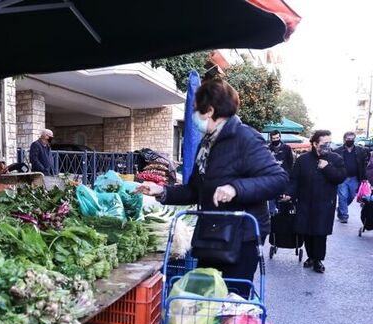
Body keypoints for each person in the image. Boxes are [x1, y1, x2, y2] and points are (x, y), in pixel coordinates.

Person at [137, 79, 287, 298]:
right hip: (211, 233)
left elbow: (278, 179)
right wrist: (162, 192)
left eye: (197, 108)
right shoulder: (206, 144)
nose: (194, 114)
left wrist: (236, 188)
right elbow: (195, 190)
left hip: (240, 236)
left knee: (231, 301)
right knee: (205, 299)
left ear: (209, 110)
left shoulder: (245, 137)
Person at [281, 130, 346, 273]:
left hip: (324, 203)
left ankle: (318, 260)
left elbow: (340, 177)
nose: (328, 146)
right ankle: (310, 256)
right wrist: (288, 194)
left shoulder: (335, 159)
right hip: (304, 201)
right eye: (324, 143)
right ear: (315, 144)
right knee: (306, 230)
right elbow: (295, 180)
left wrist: (327, 167)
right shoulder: (303, 160)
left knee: (320, 232)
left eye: (329, 143)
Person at [333, 131, 369, 223]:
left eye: (352, 139)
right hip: (342, 178)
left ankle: (341, 209)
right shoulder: (338, 151)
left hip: (355, 178)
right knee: (343, 196)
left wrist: (364, 177)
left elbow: (364, 164)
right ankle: (344, 216)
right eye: (348, 139)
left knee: (352, 195)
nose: (350, 140)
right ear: (344, 139)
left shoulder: (361, 150)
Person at [267, 129, 295, 216]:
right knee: (271, 200)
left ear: (280, 137)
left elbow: (290, 163)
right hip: (271, 179)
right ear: (271, 139)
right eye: (274, 138)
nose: (276, 139)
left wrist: (288, 174)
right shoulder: (267, 148)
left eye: (277, 137)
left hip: (284, 178)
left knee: (283, 199)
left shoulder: (286, 148)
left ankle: (283, 216)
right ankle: (272, 215)